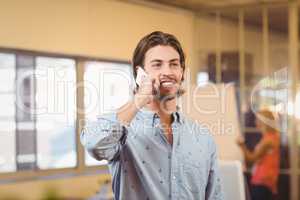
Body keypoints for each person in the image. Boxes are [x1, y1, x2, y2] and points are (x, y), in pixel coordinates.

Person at [80, 31, 224, 200]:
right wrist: (139, 100)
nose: (167, 71)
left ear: (182, 72)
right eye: (157, 64)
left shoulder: (203, 138)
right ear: (140, 73)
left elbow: (215, 196)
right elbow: (94, 144)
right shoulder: (122, 131)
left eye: (174, 64)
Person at [237, 109, 280, 200]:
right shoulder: (271, 137)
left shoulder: (268, 141)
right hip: (266, 180)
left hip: (262, 180)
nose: (255, 121)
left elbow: (251, 159)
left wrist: (242, 146)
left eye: (257, 119)